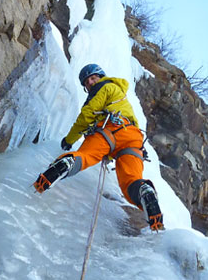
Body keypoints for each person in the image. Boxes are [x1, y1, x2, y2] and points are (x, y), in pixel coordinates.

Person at [33, 63, 164, 231]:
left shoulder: (104, 88)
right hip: (132, 138)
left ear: (101, 77)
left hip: (108, 131)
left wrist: (70, 139)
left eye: (93, 78)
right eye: (87, 82)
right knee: (131, 181)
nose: (91, 83)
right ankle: (145, 191)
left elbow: (86, 116)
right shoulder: (120, 94)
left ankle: (64, 165)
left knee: (85, 156)